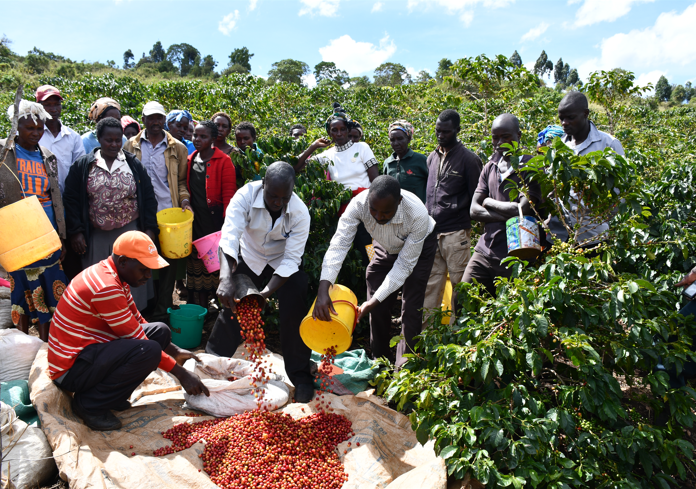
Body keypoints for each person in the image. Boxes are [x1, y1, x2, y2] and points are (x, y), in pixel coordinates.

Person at [47, 231, 209, 431]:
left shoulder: (114, 275)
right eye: (143, 270)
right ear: (123, 261)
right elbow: (137, 338)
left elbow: (136, 319)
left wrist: (174, 351)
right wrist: (181, 374)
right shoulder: (106, 287)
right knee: (148, 351)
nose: (148, 276)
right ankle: (90, 405)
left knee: (160, 331)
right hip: (72, 368)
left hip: (90, 350)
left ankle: (110, 395)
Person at [209, 162, 313, 401]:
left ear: (292, 192)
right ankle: (213, 365)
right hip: (250, 255)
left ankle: (300, 375)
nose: (277, 202)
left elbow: (292, 259)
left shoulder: (299, 212)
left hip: (282, 263)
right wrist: (226, 278)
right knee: (232, 308)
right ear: (263, 184)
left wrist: (264, 294)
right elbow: (229, 237)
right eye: (272, 196)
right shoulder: (245, 195)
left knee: (294, 312)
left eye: (284, 197)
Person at [314, 176, 436, 367]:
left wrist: (372, 302)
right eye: (373, 210)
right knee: (376, 290)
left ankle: (403, 369)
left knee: (412, 306)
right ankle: (380, 361)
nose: (378, 217)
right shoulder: (358, 204)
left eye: (386, 212)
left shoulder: (417, 214)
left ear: (399, 202)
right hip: (385, 244)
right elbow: (339, 244)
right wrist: (323, 289)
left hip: (418, 250)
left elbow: (404, 266)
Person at [63, 117, 159, 310]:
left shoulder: (132, 164)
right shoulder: (83, 166)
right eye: (109, 140)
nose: (114, 144)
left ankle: (132, 316)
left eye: (118, 140)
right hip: (97, 234)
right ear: (99, 138)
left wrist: (149, 229)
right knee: (100, 279)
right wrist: (76, 231)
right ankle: (102, 319)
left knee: (132, 275)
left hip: (129, 231)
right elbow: (71, 199)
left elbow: (148, 197)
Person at [1, 100, 68, 342]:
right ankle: (22, 344)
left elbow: (55, 197)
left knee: (49, 286)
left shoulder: (47, 156)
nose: (36, 133)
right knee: (22, 288)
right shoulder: (4, 152)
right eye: (29, 128)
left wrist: (61, 236)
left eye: (39, 129)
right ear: (16, 127)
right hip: (17, 232)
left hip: (45, 231)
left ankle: (44, 342)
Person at [123, 101, 191, 323]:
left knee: (168, 264)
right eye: (151, 118)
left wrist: (184, 200)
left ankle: (162, 311)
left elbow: (180, 181)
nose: (155, 122)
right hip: (139, 214)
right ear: (143, 119)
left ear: (165, 120)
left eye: (159, 118)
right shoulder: (130, 146)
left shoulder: (177, 148)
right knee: (143, 262)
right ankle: (146, 309)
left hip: (167, 213)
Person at [462, 114, 542, 298]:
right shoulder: (490, 167)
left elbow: (522, 209)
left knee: (513, 309)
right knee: (463, 298)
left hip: (518, 253)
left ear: (518, 136)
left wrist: (488, 202)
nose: (499, 142)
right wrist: (508, 216)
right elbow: (474, 210)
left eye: (505, 137)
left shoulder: (530, 165)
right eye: (495, 137)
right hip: (485, 250)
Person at [295, 103, 379, 265]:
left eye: (342, 129)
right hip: (344, 212)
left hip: (367, 209)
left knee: (370, 249)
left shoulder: (361, 148)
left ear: (348, 130)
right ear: (329, 133)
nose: (339, 133)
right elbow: (296, 167)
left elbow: (375, 180)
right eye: (334, 130)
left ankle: (379, 280)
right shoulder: (326, 156)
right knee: (348, 255)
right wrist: (313, 146)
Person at [422, 109, 482, 327]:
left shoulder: (469, 159)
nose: (440, 135)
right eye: (438, 131)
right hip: (433, 232)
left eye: (446, 132)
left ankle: (462, 334)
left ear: (457, 130)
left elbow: (477, 195)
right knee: (431, 285)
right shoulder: (431, 158)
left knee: (460, 285)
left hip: (456, 233)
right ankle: (427, 334)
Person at [547, 91, 625, 244]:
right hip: (560, 234)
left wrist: (598, 218)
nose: (564, 123)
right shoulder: (558, 147)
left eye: (570, 118)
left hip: (593, 234)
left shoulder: (608, 144)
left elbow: (620, 191)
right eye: (561, 118)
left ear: (585, 114)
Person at [186, 120, 237, 308]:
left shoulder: (224, 161)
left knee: (214, 266)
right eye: (195, 136)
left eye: (203, 136)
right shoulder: (191, 159)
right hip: (196, 222)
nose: (197, 139)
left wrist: (226, 226)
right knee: (196, 266)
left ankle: (220, 308)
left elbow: (229, 196)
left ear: (213, 139)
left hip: (214, 223)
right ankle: (201, 308)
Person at [35, 85, 85, 194]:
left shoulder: (73, 137)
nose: (53, 109)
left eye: (57, 104)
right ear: (38, 107)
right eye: (47, 105)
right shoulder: (31, 135)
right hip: (39, 199)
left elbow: (80, 170)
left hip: (66, 200)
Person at [382, 120, 428, 204]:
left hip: (417, 210)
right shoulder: (388, 163)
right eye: (392, 140)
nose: (396, 143)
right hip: (394, 211)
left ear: (409, 139)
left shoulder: (421, 160)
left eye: (400, 139)